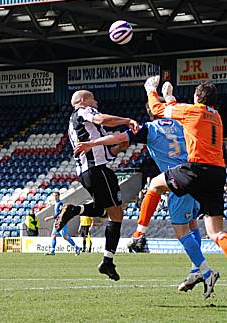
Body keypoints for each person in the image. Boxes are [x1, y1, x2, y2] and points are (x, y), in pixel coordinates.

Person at [74, 90, 219, 299]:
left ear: (150, 112)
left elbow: (119, 136)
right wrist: (168, 95)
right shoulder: (181, 123)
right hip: (196, 175)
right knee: (192, 224)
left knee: (181, 231)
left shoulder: (149, 129)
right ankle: (196, 270)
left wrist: (92, 144)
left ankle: (205, 272)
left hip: (177, 180)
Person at [130, 75, 227, 298]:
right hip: (217, 172)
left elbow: (157, 110)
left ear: (197, 97)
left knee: (155, 185)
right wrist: (170, 98)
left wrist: (151, 90)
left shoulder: (192, 110)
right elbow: (179, 113)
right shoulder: (216, 116)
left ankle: (140, 233)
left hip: (196, 168)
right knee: (216, 232)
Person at [54, 90, 138, 281]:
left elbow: (108, 151)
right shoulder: (83, 112)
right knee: (115, 214)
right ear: (83, 101)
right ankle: (107, 260)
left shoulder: (81, 125)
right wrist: (126, 120)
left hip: (91, 171)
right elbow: (102, 119)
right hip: (97, 170)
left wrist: (122, 144)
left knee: (109, 212)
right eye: (92, 97)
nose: (96, 101)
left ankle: (77, 210)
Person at [44, 192, 80, 256]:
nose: (55, 197)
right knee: (53, 236)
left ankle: (77, 248)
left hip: (61, 223)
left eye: (56, 195)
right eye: (54, 196)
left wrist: (49, 218)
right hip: (56, 222)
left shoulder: (60, 204)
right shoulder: (56, 203)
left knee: (65, 237)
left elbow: (58, 214)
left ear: (59, 196)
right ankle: (52, 251)